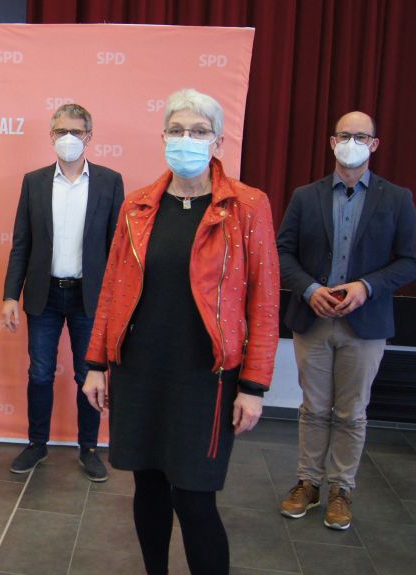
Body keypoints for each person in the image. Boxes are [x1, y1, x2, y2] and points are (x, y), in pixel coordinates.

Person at [82, 89, 279, 574]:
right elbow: (112, 289)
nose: (185, 140)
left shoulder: (247, 206)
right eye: (177, 130)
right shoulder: (137, 206)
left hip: (204, 378)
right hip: (140, 369)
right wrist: (94, 365)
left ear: (217, 140)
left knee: (194, 499)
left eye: (198, 131)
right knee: (147, 488)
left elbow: (265, 301)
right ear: (162, 136)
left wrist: (253, 386)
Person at [276, 111, 416, 531]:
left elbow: (412, 260)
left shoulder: (396, 198)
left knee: (351, 412)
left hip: (366, 323)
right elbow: (282, 253)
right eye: (346, 135)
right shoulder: (306, 196)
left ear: (374, 144)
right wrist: (308, 288)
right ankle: (308, 482)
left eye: (361, 136)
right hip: (314, 318)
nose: (352, 142)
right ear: (332, 141)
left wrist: (367, 286)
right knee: (313, 408)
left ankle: (342, 488)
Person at [2, 103, 124, 482]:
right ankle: (37, 444)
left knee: (89, 375)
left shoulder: (109, 181)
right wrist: (10, 296)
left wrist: (117, 302)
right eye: (60, 132)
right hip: (44, 295)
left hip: (91, 298)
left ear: (90, 135)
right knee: (40, 372)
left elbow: (118, 248)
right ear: (51, 135)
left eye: (76, 131)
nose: (68, 138)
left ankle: (89, 448)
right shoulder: (34, 181)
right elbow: (21, 243)